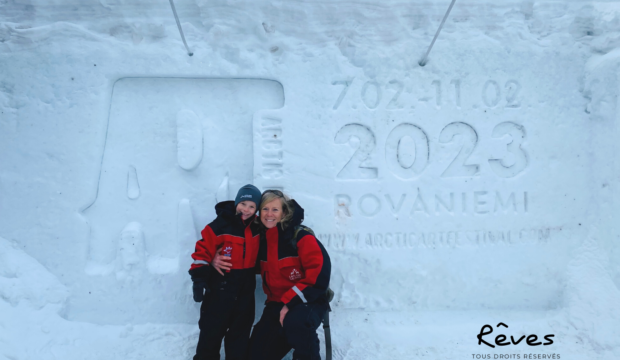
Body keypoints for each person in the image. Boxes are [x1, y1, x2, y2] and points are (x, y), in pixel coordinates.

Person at [214, 190, 331, 360]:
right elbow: (242, 261)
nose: (269, 214)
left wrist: (290, 303)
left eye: (275, 210)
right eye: (265, 209)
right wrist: (214, 259)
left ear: (284, 212)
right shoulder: (261, 240)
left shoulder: (300, 236)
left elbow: (319, 275)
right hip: (276, 304)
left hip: (308, 300)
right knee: (255, 355)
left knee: (297, 323)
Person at [188, 184, 262, 360]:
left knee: (240, 334)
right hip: (220, 289)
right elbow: (202, 251)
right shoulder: (219, 226)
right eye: (243, 204)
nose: (246, 209)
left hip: (245, 291)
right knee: (211, 331)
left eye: (252, 206)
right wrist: (199, 279)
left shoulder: (258, 229)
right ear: (236, 202)